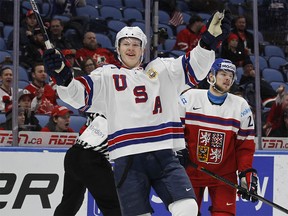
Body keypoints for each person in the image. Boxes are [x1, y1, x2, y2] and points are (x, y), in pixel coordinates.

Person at [43, 10, 231, 215]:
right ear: (117, 48)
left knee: (187, 208)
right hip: (127, 159)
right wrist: (63, 77)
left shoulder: (163, 69)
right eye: (126, 44)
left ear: (142, 50)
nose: (130, 48)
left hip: (163, 155)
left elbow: (194, 65)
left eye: (135, 44)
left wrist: (207, 42)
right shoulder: (106, 76)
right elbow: (78, 95)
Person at [178, 58, 258, 215]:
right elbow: (174, 130)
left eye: (231, 75)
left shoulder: (240, 106)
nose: (227, 78)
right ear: (211, 76)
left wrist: (245, 172)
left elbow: (245, 147)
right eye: (223, 74)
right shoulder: (189, 97)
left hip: (224, 176)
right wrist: (179, 149)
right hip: (191, 172)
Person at [54, 113, 121, 216]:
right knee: (113, 204)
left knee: (70, 203)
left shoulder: (100, 109)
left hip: (73, 154)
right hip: (91, 159)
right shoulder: (123, 115)